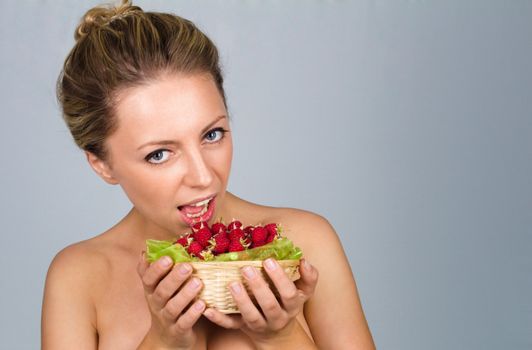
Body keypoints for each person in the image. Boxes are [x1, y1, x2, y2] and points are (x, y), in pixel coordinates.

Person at [41, 1, 375, 349]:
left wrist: (280, 336)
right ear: (102, 164)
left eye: (212, 135)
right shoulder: (78, 278)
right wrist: (164, 340)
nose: (203, 177)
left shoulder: (306, 241)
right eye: (159, 154)